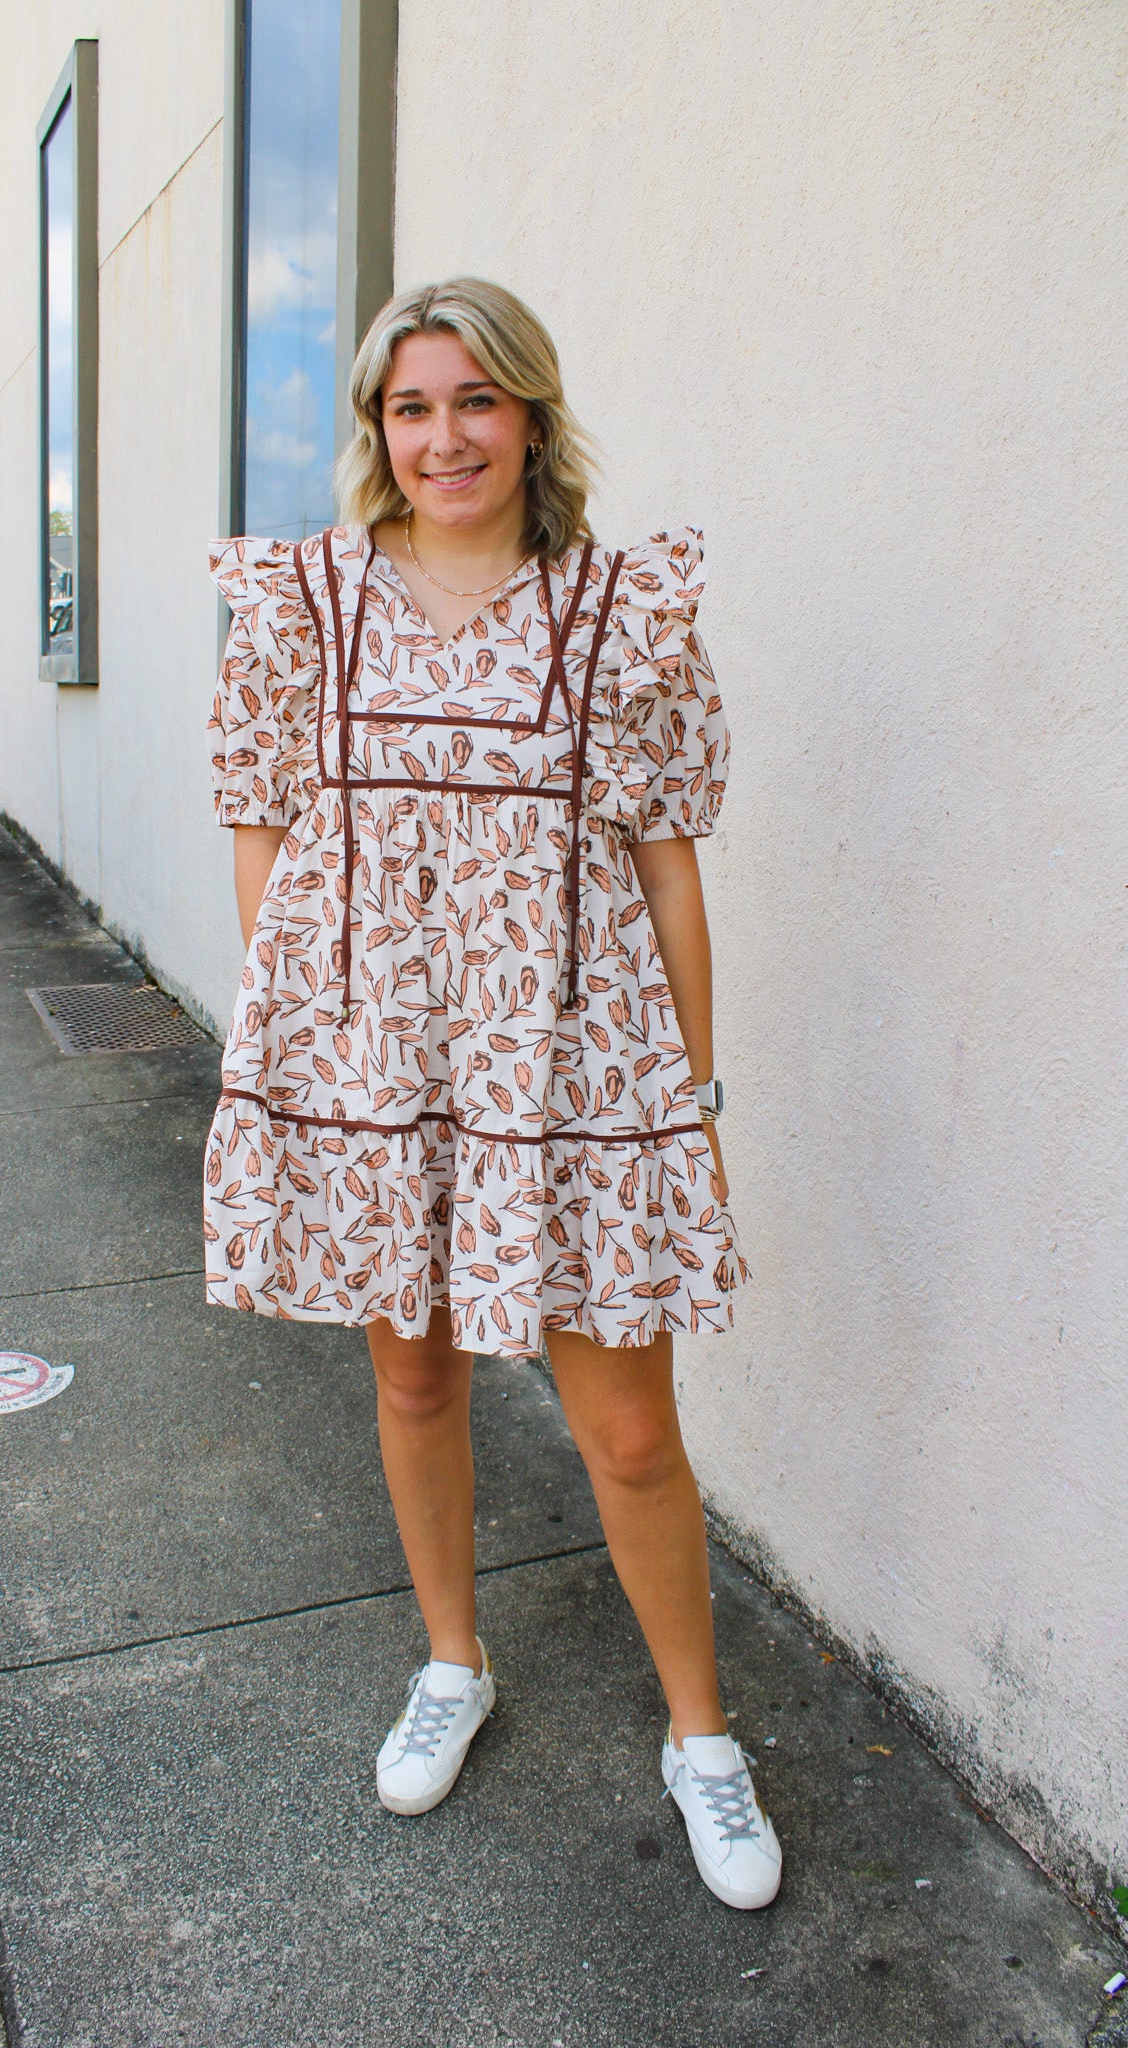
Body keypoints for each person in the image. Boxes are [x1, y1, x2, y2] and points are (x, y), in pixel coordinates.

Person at [205, 278, 780, 1910]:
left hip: (581, 1068)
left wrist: (691, 1092)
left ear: (529, 413)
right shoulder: (301, 602)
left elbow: (667, 868)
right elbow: (262, 820)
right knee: (413, 1382)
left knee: (624, 1428)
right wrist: (318, 1062)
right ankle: (451, 1659)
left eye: (472, 400)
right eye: (408, 406)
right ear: (378, 430)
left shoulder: (620, 611)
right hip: (377, 1071)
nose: (440, 436)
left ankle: (700, 1741)